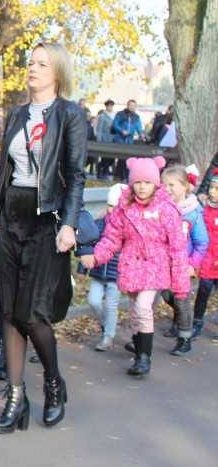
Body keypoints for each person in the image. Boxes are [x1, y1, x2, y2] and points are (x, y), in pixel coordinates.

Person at [0, 41, 87, 433]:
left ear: (57, 72)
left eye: (42, 64)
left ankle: (54, 381)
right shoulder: (16, 114)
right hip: (11, 216)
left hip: (47, 219)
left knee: (34, 313)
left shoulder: (70, 115)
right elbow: (6, 175)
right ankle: (15, 395)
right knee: (9, 310)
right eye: (30, 62)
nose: (33, 68)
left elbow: (75, 175)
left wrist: (70, 224)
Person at [81, 157, 189, 377]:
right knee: (134, 311)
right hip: (131, 266)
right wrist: (95, 257)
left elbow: (178, 248)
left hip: (156, 266)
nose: (142, 187)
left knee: (143, 307)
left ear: (155, 184)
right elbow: (111, 239)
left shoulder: (166, 209)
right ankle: (139, 349)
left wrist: (180, 286)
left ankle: (143, 357)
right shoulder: (123, 209)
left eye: (147, 182)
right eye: (138, 182)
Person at [158, 165, 208, 354]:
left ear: (185, 186)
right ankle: (182, 316)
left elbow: (202, 242)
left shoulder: (193, 213)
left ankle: (184, 339)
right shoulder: (161, 208)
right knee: (164, 294)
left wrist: (192, 264)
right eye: (164, 185)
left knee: (181, 300)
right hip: (162, 263)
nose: (167, 189)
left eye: (172, 185)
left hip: (182, 265)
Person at [76, 183, 124, 351]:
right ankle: (106, 325)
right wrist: (82, 268)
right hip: (98, 271)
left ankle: (108, 337)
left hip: (116, 274)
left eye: (116, 206)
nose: (112, 210)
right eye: (110, 206)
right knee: (93, 301)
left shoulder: (125, 227)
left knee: (111, 305)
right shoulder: (98, 223)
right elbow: (88, 245)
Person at [192, 178, 218, 337]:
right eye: (211, 188)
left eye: (216, 189)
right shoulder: (203, 209)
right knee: (203, 290)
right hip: (208, 259)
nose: (212, 192)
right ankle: (197, 323)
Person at [111, 99, 144, 182]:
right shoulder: (120, 114)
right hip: (120, 139)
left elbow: (138, 126)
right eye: (131, 105)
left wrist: (141, 133)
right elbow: (115, 125)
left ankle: (125, 175)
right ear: (127, 105)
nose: (132, 107)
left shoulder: (136, 117)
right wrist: (122, 131)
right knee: (121, 158)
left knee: (128, 159)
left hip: (130, 140)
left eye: (134, 106)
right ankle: (118, 175)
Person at [95, 99, 116, 180]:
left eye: (111, 106)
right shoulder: (103, 116)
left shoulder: (114, 115)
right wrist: (99, 139)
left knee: (111, 158)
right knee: (105, 157)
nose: (110, 107)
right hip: (105, 138)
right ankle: (102, 171)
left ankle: (105, 171)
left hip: (112, 138)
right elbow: (99, 128)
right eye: (108, 106)